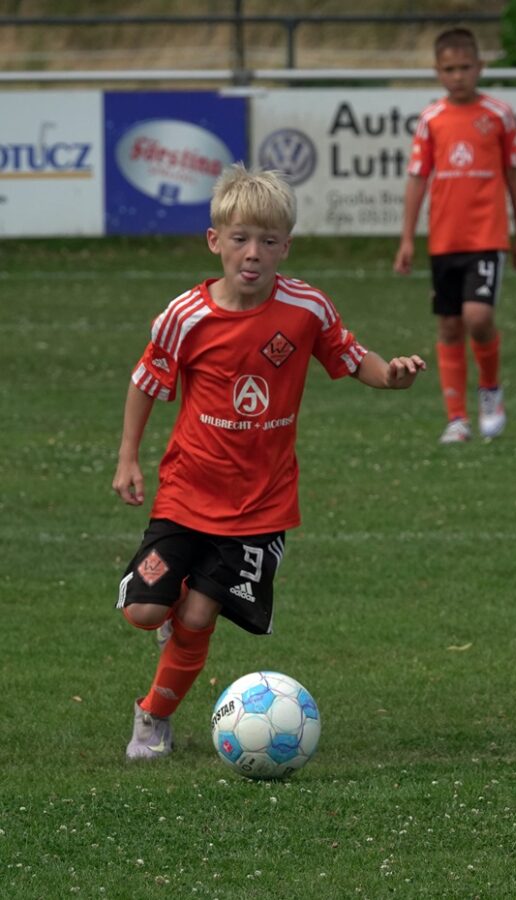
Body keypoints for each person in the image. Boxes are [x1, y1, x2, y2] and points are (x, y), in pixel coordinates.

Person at [113, 163, 425, 760]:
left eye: (268, 241)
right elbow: (145, 382)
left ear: (286, 247)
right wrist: (128, 458)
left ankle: (153, 718)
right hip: (186, 492)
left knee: (198, 616)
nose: (253, 253)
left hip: (261, 504)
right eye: (240, 239)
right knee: (146, 610)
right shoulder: (185, 316)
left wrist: (391, 375)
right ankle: (171, 607)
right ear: (215, 241)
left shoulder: (307, 308)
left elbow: (350, 356)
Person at [393, 26, 516, 444]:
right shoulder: (431, 119)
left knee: (478, 317)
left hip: (487, 236)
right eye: (449, 69)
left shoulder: (499, 115)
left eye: (465, 67)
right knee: (450, 326)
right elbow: (418, 177)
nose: (458, 76)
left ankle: (490, 391)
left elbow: (515, 174)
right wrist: (407, 238)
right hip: (444, 240)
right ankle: (457, 419)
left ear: (479, 67)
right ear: (438, 71)